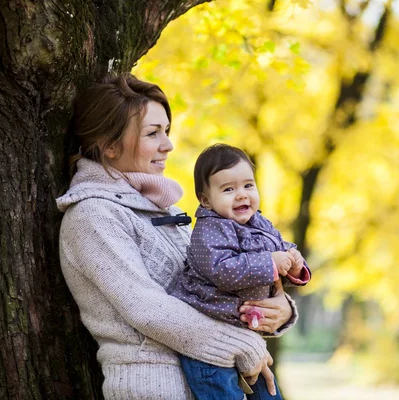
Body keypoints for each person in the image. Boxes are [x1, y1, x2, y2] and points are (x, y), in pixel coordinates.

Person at [57, 73, 298, 399]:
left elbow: (210, 286)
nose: (168, 145)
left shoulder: (165, 212)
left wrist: (279, 308)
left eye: (167, 131)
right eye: (153, 133)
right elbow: (147, 310)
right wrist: (244, 345)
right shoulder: (93, 216)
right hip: (155, 386)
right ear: (111, 147)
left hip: (217, 379)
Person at [172, 144, 311, 400]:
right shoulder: (210, 230)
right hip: (209, 341)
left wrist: (294, 264)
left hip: (246, 337)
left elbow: (281, 247)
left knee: (270, 394)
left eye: (248, 185)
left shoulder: (259, 222)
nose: (241, 195)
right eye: (228, 189)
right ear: (206, 200)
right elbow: (222, 270)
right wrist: (269, 263)